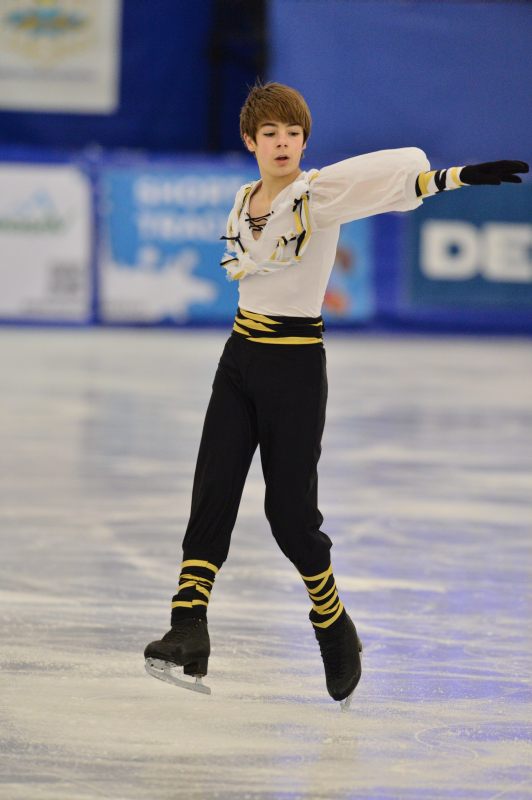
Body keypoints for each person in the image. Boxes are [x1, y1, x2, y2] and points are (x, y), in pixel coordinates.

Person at [144, 80, 528, 708]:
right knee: (212, 492)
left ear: (304, 141)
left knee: (290, 516)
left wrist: (456, 177)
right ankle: (188, 628)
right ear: (250, 141)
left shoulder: (316, 196)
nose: (283, 143)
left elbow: (392, 185)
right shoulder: (244, 201)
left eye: (293, 133)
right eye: (271, 133)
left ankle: (332, 622)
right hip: (239, 358)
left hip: (294, 368)